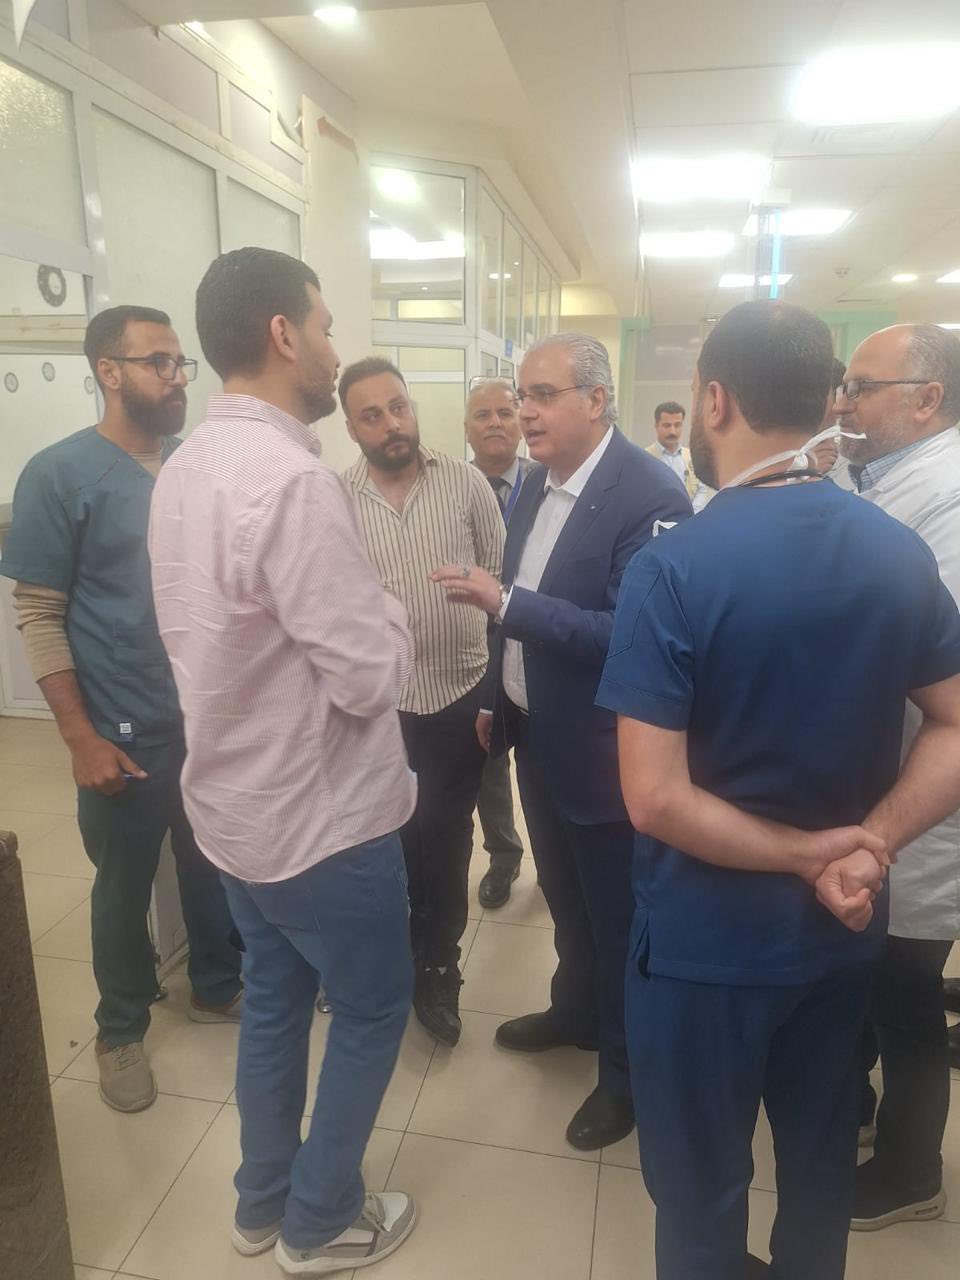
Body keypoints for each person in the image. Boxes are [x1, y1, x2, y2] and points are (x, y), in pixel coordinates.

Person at [596, 299, 960, 1280]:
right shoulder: (896, 552)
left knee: (700, 1195)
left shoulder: (674, 566)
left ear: (714, 400)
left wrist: (807, 853)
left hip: (703, 953)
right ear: (826, 402)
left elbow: (654, 798)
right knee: (818, 1171)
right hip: (839, 933)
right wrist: (870, 843)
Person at [148, 249, 417, 1274]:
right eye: (327, 325)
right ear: (283, 333)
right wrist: (391, 608)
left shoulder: (185, 467)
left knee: (273, 996)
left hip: (234, 812)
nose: (334, 349)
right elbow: (368, 678)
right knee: (371, 1008)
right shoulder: (292, 482)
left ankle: (260, 1202)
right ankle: (319, 1222)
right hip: (323, 823)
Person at [432, 333, 692, 1151]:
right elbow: (508, 614)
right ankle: (575, 1013)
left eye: (542, 395)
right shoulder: (534, 484)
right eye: (522, 395)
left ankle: (627, 1075)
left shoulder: (649, 494)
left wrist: (506, 603)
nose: (525, 412)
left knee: (618, 921)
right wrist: (494, 697)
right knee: (569, 904)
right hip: (536, 736)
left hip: (607, 754)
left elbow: (632, 634)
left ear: (596, 400)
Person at [0, 305, 242, 1115]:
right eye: (158, 363)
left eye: (181, 363)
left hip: (205, 720)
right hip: (121, 728)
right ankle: (121, 1029)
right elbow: (39, 611)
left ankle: (216, 984)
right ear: (109, 371)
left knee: (211, 862)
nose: (177, 378)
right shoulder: (59, 474)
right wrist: (80, 737)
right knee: (123, 883)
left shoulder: (191, 465)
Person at [835, 322, 960, 1230]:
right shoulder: (880, 479)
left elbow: (915, 645)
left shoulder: (949, 498)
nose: (843, 403)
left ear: (927, 399)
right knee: (872, 979)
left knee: (908, 993)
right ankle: (861, 1110)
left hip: (926, 799)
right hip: (878, 781)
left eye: (861, 387)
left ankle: (913, 1172)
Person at [341, 358, 504, 1047]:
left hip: (459, 694)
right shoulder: (336, 498)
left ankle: (440, 964)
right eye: (372, 415)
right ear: (351, 427)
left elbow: (501, 587)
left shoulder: (465, 483)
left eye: (398, 407)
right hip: (380, 707)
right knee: (391, 837)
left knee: (445, 833)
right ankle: (401, 954)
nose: (392, 424)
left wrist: (494, 694)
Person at [464, 376, 533, 908]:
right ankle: (503, 856)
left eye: (505, 413)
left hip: (533, 643)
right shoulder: (449, 489)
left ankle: (553, 859)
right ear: (467, 428)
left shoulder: (546, 484)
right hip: (467, 648)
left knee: (539, 765)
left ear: (520, 421)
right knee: (486, 758)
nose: (495, 423)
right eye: (482, 415)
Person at [645, 400, 711, 510]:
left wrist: (692, 514)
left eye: (677, 425)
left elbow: (702, 487)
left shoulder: (692, 457)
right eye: (667, 425)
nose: (672, 431)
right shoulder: (645, 458)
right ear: (656, 426)